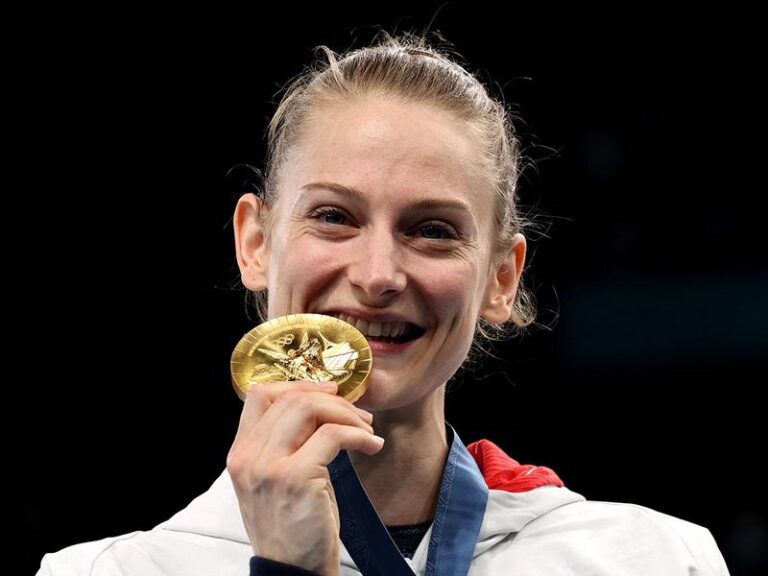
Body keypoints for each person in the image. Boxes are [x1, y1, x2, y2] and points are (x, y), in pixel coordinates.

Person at [37, 33, 730, 575]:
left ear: (500, 279)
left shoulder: (657, 560)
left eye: (432, 230)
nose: (377, 276)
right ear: (254, 243)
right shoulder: (106, 572)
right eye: (334, 216)